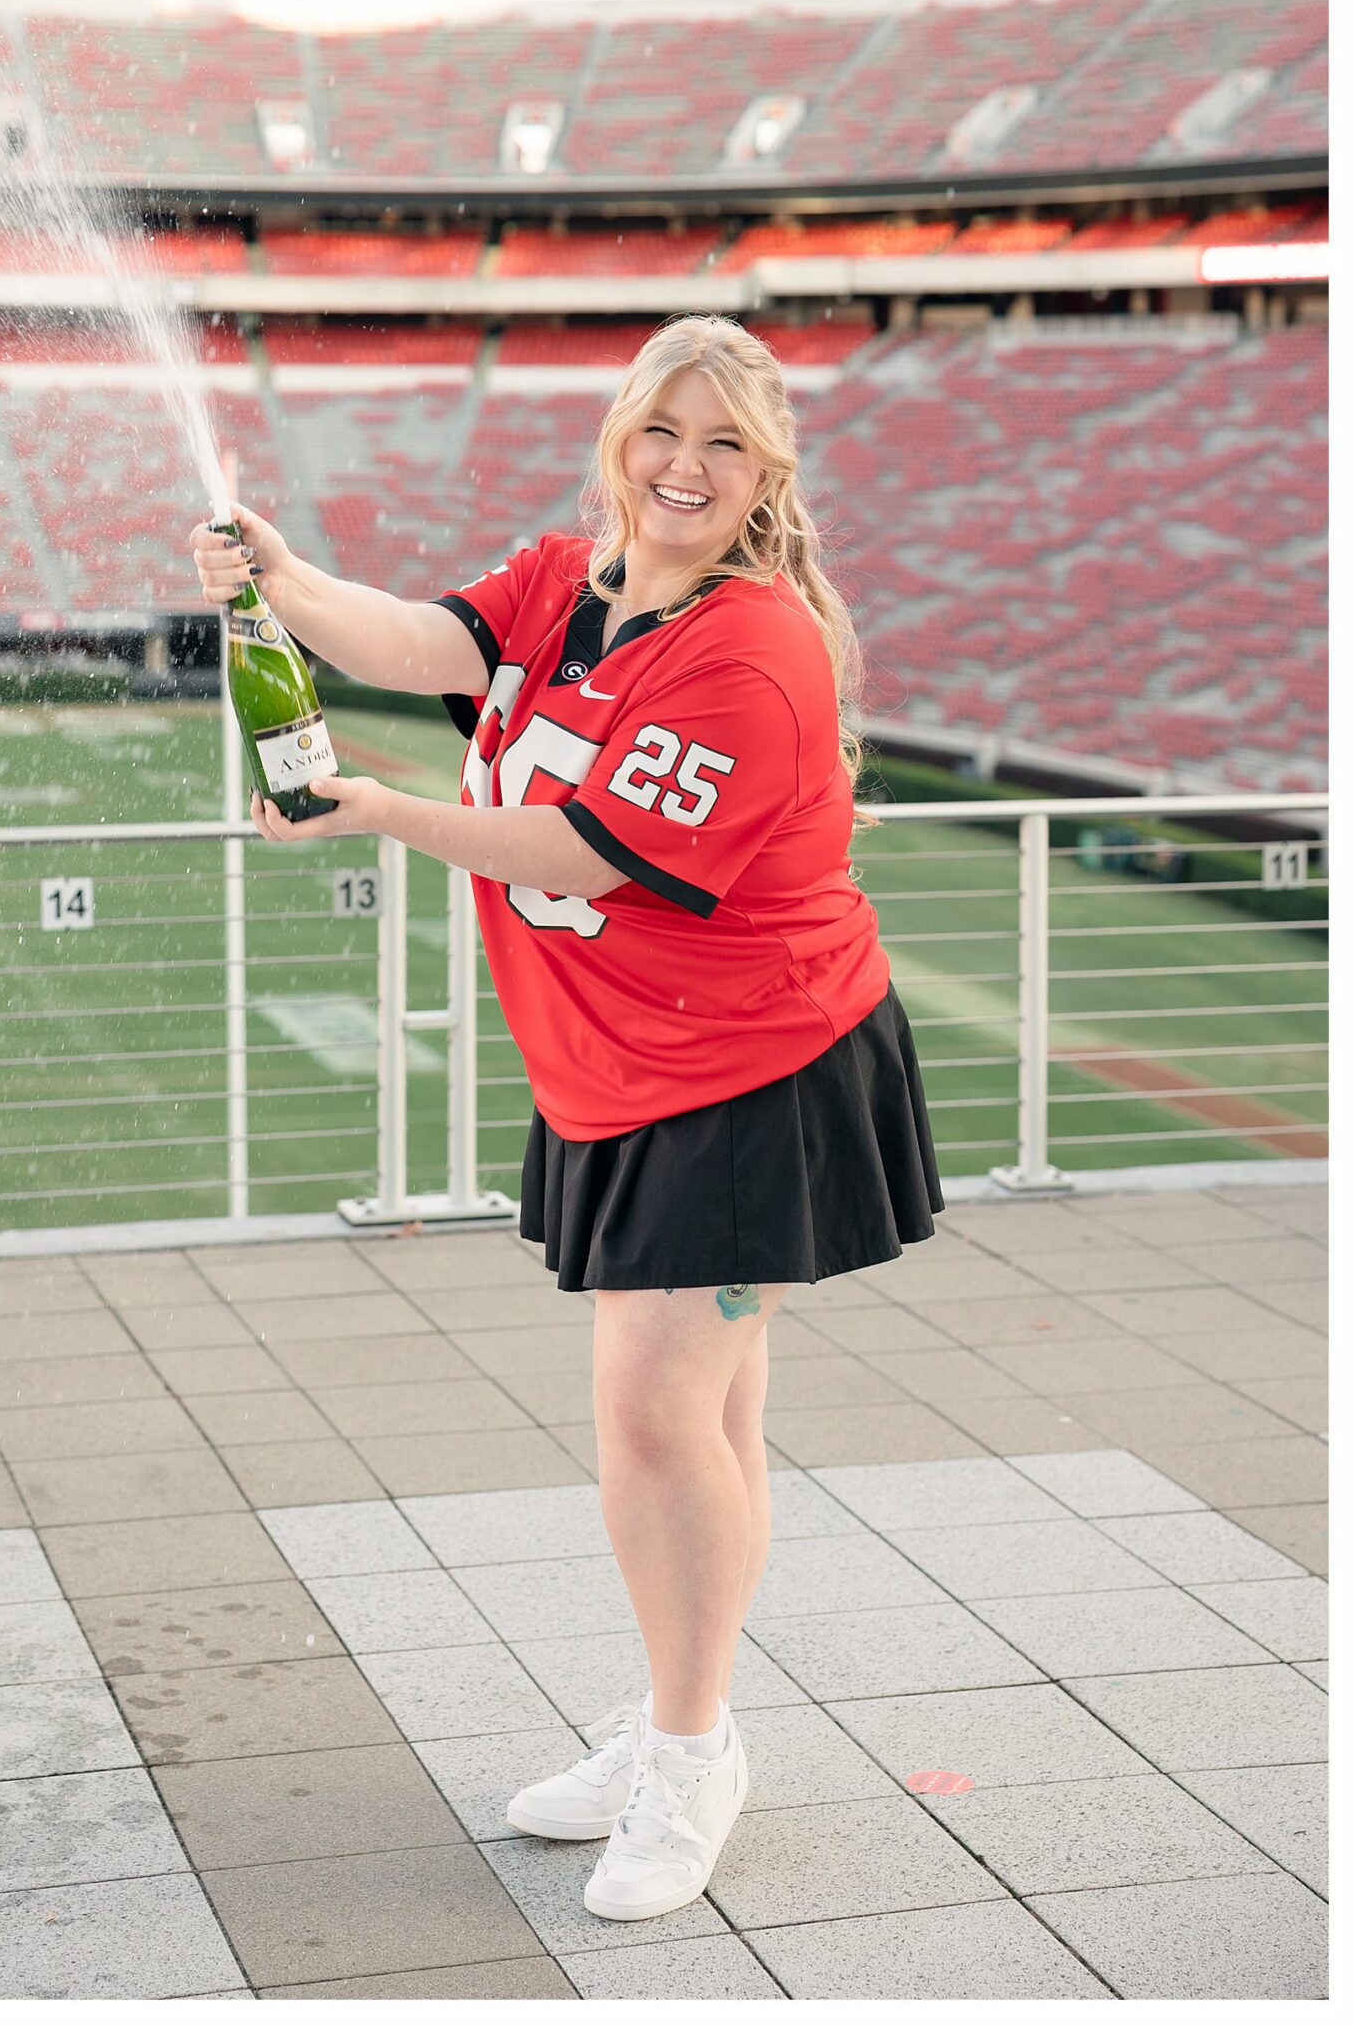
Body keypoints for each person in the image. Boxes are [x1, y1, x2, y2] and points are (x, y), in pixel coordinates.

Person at [191, 313, 942, 1922]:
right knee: (705, 1420)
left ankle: (687, 1755)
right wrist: (274, 571)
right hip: (624, 1062)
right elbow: (410, 641)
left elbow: (586, 853)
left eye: (724, 444)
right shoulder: (568, 580)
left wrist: (384, 808)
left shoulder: (755, 649)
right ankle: (686, 1724)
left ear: (764, 475)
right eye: (664, 430)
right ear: (621, 433)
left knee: (656, 1423)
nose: (685, 466)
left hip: (749, 1071)